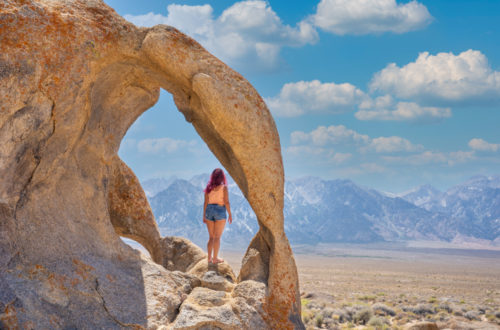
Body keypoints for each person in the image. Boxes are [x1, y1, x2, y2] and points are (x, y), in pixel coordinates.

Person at [203, 168, 232, 264]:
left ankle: (209, 258)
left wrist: (204, 215)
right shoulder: (224, 188)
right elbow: (227, 202)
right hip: (220, 210)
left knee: (211, 237)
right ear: (222, 177)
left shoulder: (208, 188)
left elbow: (205, 203)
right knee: (217, 237)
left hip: (209, 210)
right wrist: (230, 214)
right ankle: (215, 259)